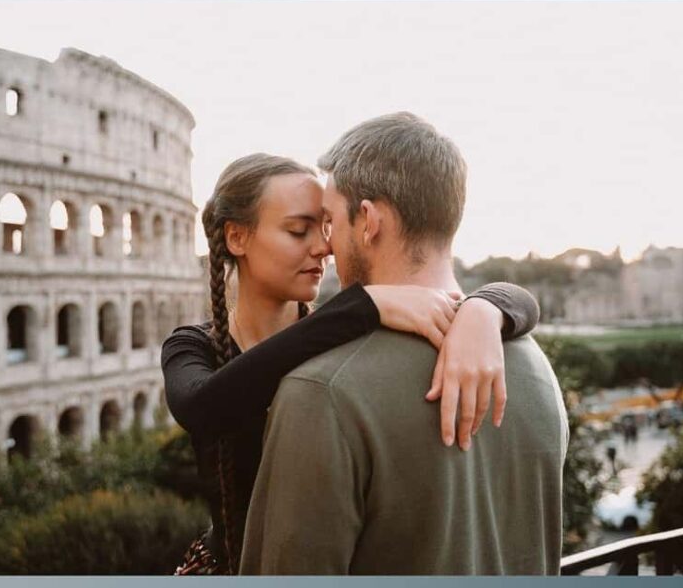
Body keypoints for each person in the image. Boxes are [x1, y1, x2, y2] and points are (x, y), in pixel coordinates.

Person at [162, 153, 540, 575]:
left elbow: (522, 300)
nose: (323, 246)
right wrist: (363, 303)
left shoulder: (342, 331)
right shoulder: (193, 346)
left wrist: (486, 309)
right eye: (297, 230)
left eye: (324, 226)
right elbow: (203, 408)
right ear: (237, 237)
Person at [239, 113, 568, 575]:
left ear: (369, 221)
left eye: (331, 222)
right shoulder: (534, 366)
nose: (326, 248)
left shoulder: (323, 391)